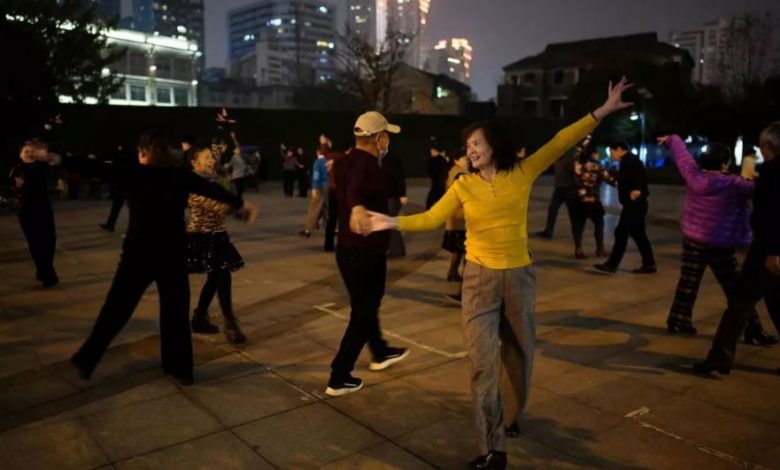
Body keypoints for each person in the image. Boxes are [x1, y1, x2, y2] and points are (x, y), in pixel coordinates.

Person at [366, 79, 633, 470]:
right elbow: (431, 217)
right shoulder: (463, 185)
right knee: (482, 364)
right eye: (467, 145)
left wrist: (602, 111)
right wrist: (390, 221)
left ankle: (509, 415)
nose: (470, 150)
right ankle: (492, 447)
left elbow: (560, 140)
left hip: (519, 278)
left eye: (476, 143)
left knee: (519, 354)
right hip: (478, 280)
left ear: (494, 145)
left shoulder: (521, 173)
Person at [68, 131, 258, 385]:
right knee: (175, 312)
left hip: (139, 253)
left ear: (145, 152)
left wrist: (56, 159)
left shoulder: (134, 174)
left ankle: (87, 358)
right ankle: (180, 369)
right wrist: (240, 204)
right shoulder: (179, 175)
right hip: (172, 252)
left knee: (116, 309)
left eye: (140, 151)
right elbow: (209, 188)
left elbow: (96, 168)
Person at [325, 111, 410, 397]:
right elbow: (355, 189)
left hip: (347, 249)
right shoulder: (368, 165)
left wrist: (355, 206)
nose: (388, 141)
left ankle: (380, 351)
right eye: (386, 135)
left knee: (365, 307)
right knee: (364, 311)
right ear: (378, 137)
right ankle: (339, 375)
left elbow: (349, 187)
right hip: (366, 251)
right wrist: (358, 208)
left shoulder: (345, 161)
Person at [693, 122, 780, 375]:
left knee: (740, 302)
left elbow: (774, 215)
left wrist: (773, 252)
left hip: (767, 250)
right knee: (776, 301)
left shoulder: (772, 173)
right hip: (769, 249)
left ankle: (719, 359)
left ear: (768, 145)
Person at [187, 145, 248, 344]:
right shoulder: (194, 184)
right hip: (203, 237)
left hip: (219, 235)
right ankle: (230, 322)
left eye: (211, 157)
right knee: (222, 276)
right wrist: (240, 209)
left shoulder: (213, 180)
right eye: (206, 157)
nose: (211, 160)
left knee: (216, 278)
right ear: (194, 162)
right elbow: (216, 206)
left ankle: (200, 317)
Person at [593, 141, 657, 274]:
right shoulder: (627, 161)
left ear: (619, 149)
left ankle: (612, 264)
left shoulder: (631, 161)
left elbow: (640, 177)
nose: (611, 155)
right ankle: (649, 264)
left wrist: (637, 190)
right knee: (639, 235)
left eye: (612, 152)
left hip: (634, 204)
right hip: (634, 204)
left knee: (621, 232)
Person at [12, 139, 59, 287]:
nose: (29, 154)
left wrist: (46, 155)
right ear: (20, 154)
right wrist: (14, 183)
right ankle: (47, 273)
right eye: (26, 151)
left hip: (44, 208)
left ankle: (43, 269)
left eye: (32, 151)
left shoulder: (42, 166)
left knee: (50, 241)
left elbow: (54, 160)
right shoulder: (16, 169)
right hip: (26, 211)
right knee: (35, 243)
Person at [535, 135, 589, 239]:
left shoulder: (570, 156)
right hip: (559, 188)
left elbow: (577, 171)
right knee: (552, 209)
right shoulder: (558, 157)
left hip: (569, 188)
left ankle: (577, 235)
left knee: (572, 213)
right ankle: (548, 231)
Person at [572, 145, 615, 259]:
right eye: (597, 153)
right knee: (599, 223)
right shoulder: (597, 166)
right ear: (593, 154)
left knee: (579, 225)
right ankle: (600, 249)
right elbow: (608, 179)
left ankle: (578, 249)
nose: (598, 155)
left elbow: (576, 155)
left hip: (578, 199)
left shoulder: (578, 165)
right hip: (592, 200)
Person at [443, 154, 469, 282]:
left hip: (456, 218)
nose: (467, 161)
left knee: (458, 250)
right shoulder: (460, 174)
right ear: (456, 160)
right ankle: (461, 274)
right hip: (460, 218)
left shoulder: (454, 171)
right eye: (464, 159)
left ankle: (453, 272)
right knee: (463, 250)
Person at [100, 143, 134, 233]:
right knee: (132, 208)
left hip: (121, 184)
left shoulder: (120, 155)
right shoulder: (134, 155)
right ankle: (132, 227)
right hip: (131, 184)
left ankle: (110, 224)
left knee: (116, 206)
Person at [300, 139, 330, 238]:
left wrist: (314, 188)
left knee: (314, 208)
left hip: (320, 187)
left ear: (318, 152)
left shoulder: (318, 162)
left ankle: (307, 229)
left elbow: (316, 176)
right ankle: (331, 228)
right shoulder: (329, 160)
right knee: (326, 208)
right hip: (328, 186)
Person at [384, 150, 408, 258]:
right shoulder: (382, 158)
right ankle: (395, 248)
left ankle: (397, 250)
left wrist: (402, 194)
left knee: (391, 222)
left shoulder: (391, 158)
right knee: (389, 222)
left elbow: (399, 176)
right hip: (388, 195)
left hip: (392, 196)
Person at [426, 138, 449, 209]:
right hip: (437, 176)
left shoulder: (439, 157)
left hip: (440, 176)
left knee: (438, 192)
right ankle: (431, 208)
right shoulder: (436, 158)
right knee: (436, 191)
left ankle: (435, 208)